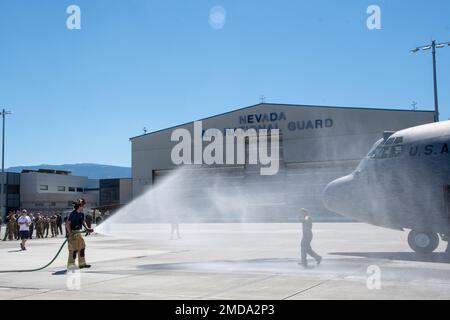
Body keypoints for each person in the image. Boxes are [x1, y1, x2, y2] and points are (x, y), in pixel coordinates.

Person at [66, 198, 93, 270]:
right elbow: (67, 224)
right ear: (79, 206)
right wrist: (70, 233)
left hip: (78, 233)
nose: (83, 207)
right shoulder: (73, 214)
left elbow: (83, 222)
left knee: (82, 247)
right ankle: (71, 265)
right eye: (82, 205)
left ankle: (82, 264)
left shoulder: (81, 214)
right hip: (72, 233)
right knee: (73, 249)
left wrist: (87, 228)